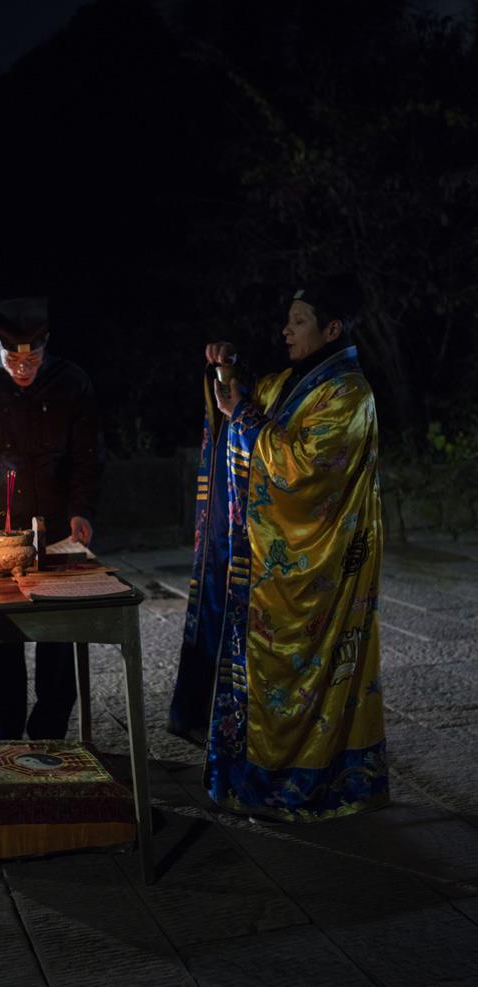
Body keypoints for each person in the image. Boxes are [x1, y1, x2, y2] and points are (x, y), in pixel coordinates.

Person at [169, 276, 389, 822]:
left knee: (308, 671)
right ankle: (255, 774)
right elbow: (251, 399)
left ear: (332, 329)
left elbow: (302, 469)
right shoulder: (299, 381)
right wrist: (227, 371)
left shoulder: (349, 395)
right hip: (274, 567)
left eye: (299, 322)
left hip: (320, 572)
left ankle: (314, 780)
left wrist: (242, 415)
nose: (285, 331)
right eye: (288, 321)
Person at [0, 297, 104, 739]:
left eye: (33, 357)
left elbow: (87, 456)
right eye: (13, 357)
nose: (24, 367)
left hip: (54, 531)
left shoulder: (71, 383)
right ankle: (3, 726)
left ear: (46, 346)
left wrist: (80, 511)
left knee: (58, 633)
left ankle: (51, 731)